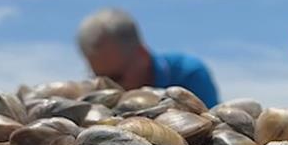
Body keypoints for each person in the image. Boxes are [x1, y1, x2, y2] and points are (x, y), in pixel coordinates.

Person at [76, 8, 220, 107]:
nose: (108, 88)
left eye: (116, 78)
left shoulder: (189, 74)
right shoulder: (99, 92)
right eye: (99, 79)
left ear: (142, 54)